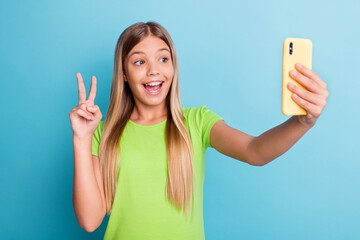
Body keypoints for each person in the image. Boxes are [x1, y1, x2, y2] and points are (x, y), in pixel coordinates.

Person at [69, 21, 329, 239]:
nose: (154, 71)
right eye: (139, 62)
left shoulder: (196, 122)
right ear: (124, 72)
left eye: (163, 58)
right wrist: (82, 138)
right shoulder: (103, 134)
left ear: (173, 66)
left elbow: (255, 151)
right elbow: (90, 221)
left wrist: (302, 122)